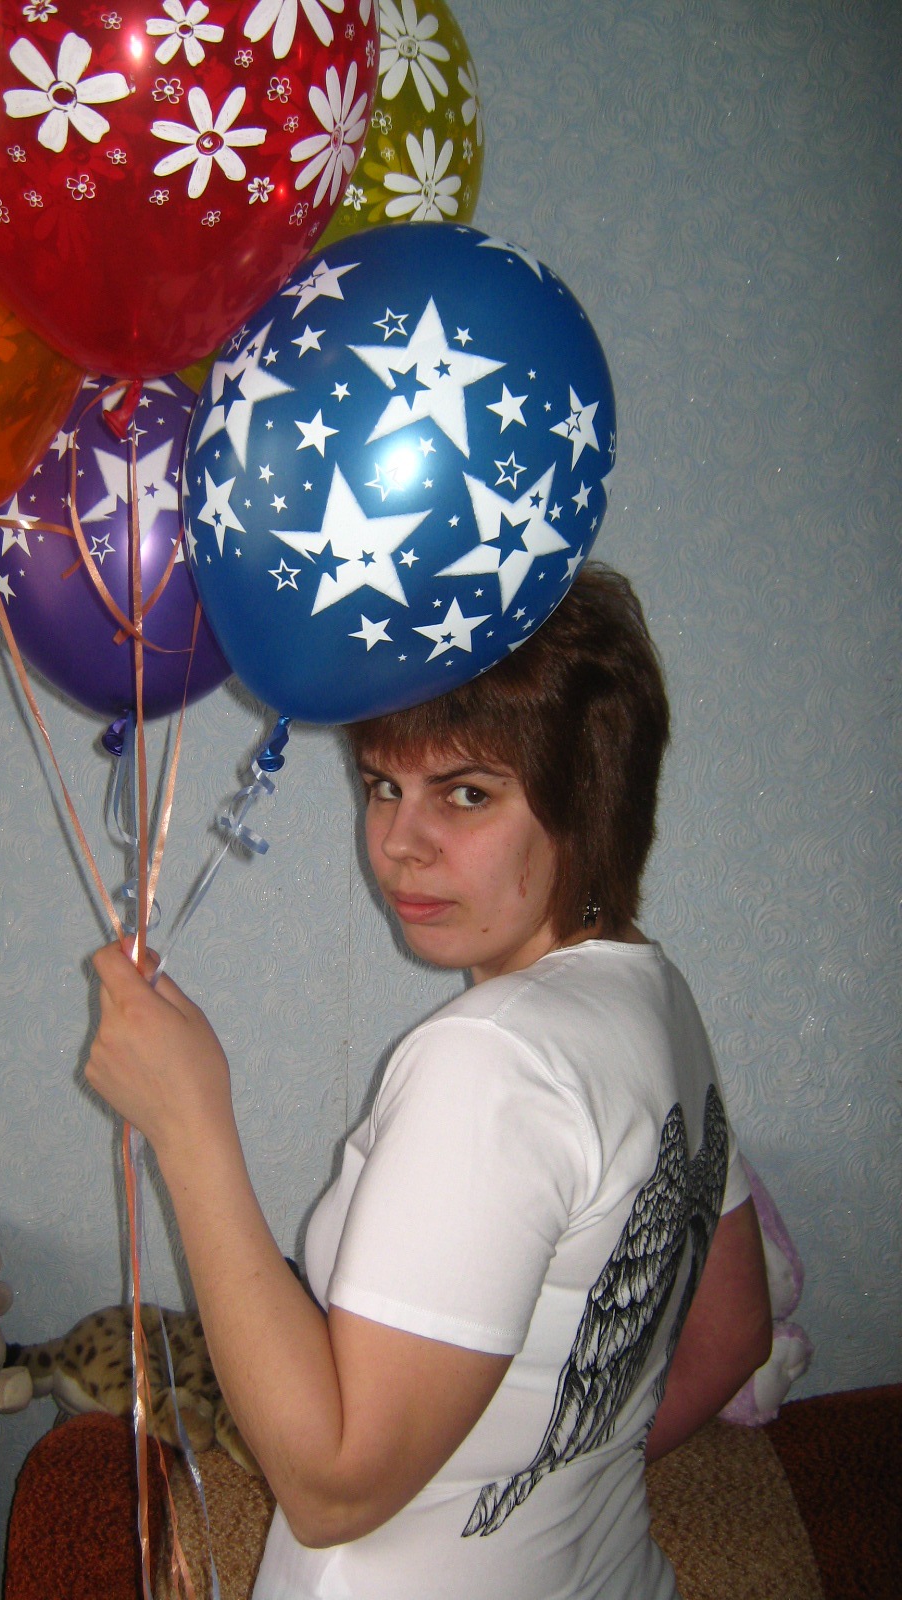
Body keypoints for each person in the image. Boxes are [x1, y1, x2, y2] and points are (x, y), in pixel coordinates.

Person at [86, 564, 772, 1600]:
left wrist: (190, 1129)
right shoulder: (656, 996)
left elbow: (331, 1490)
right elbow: (733, 1333)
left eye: (467, 793)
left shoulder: (494, 1060)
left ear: (588, 800)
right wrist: (533, 1492)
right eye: (382, 787)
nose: (401, 845)